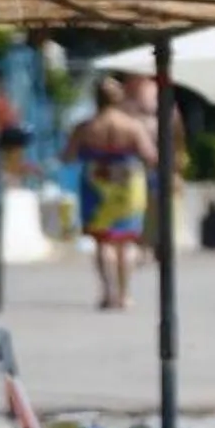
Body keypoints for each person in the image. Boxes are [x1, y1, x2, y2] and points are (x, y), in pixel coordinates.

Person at [67, 76, 155, 311]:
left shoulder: (86, 127)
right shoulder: (132, 125)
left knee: (103, 240)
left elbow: (68, 155)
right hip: (128, 183)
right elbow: (150, 155)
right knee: (125, 240)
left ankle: (108, 293)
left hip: (96, 183)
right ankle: (125, 294)